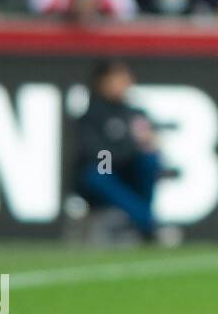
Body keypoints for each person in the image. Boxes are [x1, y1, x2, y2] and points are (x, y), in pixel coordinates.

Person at [74, 59, 181, 247]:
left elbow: (148, 147)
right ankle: (149, 224)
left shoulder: (134, 113)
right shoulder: (92, 115)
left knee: (149, 159)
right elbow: (99, 156)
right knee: (99, 175)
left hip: (129, 173)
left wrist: (146, 145)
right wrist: (128, 146)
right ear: (102, 81)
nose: (122, 84)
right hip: (105, 174)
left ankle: (143, 224)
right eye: (116, 78)